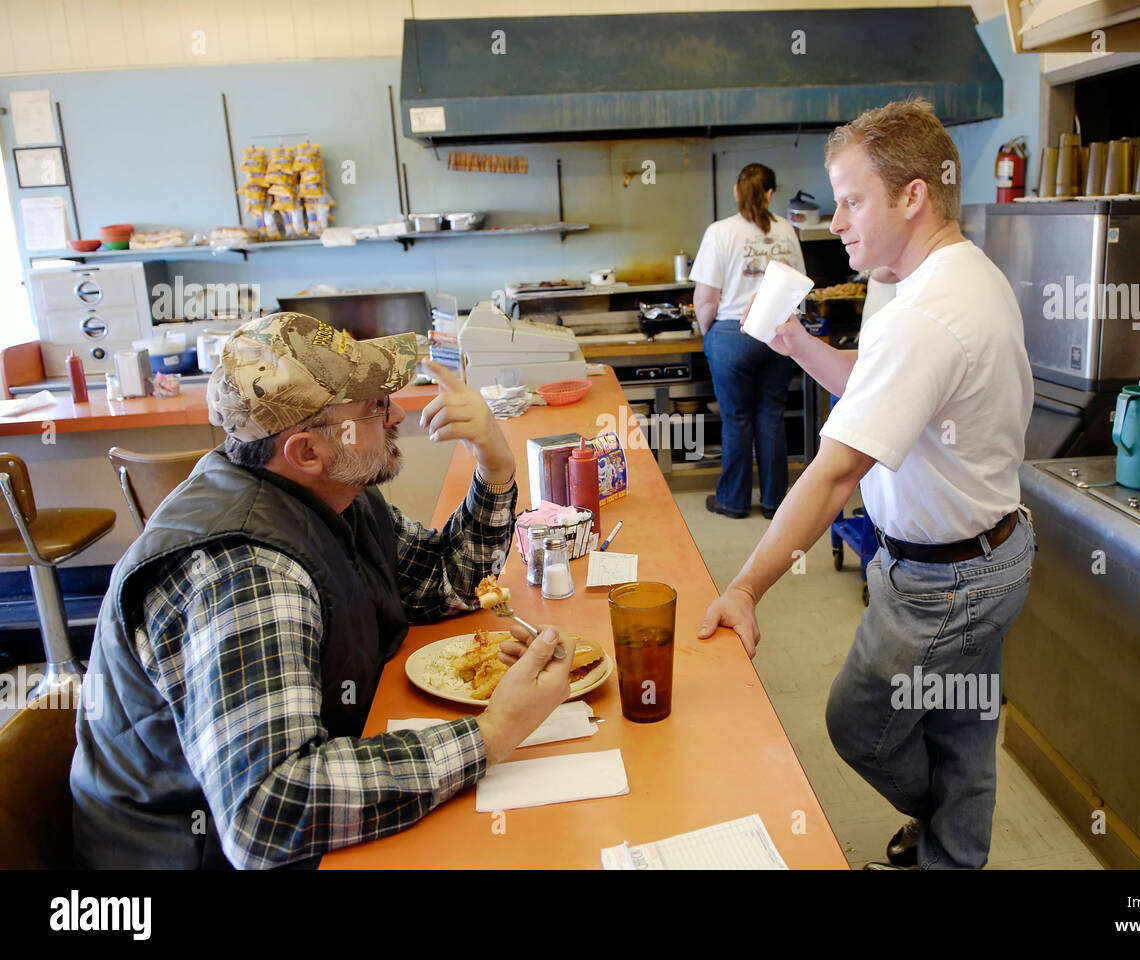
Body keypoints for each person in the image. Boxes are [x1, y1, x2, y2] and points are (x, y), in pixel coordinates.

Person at [70, 312, 574, 869]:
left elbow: (444, 582)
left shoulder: (332, 496)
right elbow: (267, 812)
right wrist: (491, 734)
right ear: (306, 450)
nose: (398, 415)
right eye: (375, 409)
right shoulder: (245, 569)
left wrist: (495, 464)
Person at [699, 99, 1036, 869]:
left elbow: (832, 474)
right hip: (990, 549)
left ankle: (948, 830)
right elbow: (876, 385)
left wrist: (746, 587)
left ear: (911, 195)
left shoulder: (925, 312)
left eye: (852, 201)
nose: (835, 220)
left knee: (861, 723)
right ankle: (953, 851)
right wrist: (795, 343)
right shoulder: (951, 272)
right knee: (961, 725)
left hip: (947, 578)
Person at [691, 163, 806, 520]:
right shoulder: (787, 230)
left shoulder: (720, 231)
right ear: (770, 193)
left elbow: (706, 298)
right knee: (771, 415)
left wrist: (709, 334)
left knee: (736, 419)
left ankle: (733, 502)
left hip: (733, 334)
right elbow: (799, 288)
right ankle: (775, 503)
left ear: (736, 191)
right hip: (778, 334)